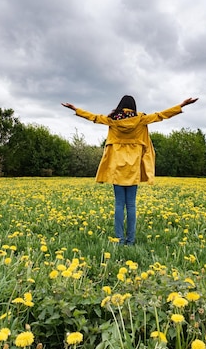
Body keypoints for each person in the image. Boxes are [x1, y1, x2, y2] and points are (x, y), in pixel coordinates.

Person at [61, 95, 198, 245]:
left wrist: (75, 109)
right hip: (133, 167)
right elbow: (161, 115)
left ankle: (119, 239)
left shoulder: (112, 119)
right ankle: (130, 240)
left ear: (120, 106)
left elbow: (94, 117)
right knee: (131, 204)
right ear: (134, 106)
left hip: (117, 166)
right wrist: (182, 105)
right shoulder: (141, 119)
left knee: (119, 204)